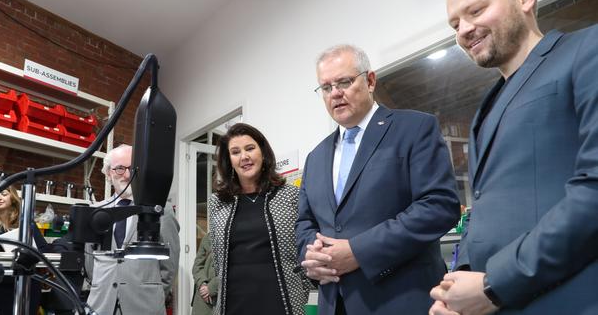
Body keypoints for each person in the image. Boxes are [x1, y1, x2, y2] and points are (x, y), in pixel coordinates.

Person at [429, 0, 598, 315]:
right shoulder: (486, 109)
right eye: (455, 24)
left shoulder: (586, 50)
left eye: (475, 11)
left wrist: (494, 284)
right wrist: (458, 285)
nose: (463, 31)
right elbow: (481, 210)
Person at [296, 44, 460, 314]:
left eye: (345, 82)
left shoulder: (414, 128)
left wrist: (359, 251)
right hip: (335, 304)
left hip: (400, 300)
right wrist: (311, 256)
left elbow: (439, 205)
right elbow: (305, 222)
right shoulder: (316, 157)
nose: (335, 93)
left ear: (370, 80)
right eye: (326, 87)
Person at [208, 123, 310, 315]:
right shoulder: (218, 202)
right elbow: (217, 257)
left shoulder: (290, 195)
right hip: (233, 303)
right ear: (229, 160)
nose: (244, 157)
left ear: (262, 152)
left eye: (250, 148)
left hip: (282, 302)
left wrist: (301, 292)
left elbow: (304, 249)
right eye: (235, 152)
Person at [85, 144, 180, 315]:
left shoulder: (159, 211)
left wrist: (152, 291)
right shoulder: (96, 212)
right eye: (120, 169)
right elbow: (89, 262)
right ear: (108, 174)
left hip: (145, 306)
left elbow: (169, 264)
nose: (127, 175)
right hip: (102, 305)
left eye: (132, 168)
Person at [0, 186, 49, 315]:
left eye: (4, 194)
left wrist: (30, 254)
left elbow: (44, 249)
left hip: (27, 286)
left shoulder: (27, 224)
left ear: (13, 199)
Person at [191, 234, 218, 315]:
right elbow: (197, 266)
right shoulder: (208, 237)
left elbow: (234, 268)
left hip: (222, 296)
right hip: (203, 299)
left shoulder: (235, 238)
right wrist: (202, 285)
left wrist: (211, 287)